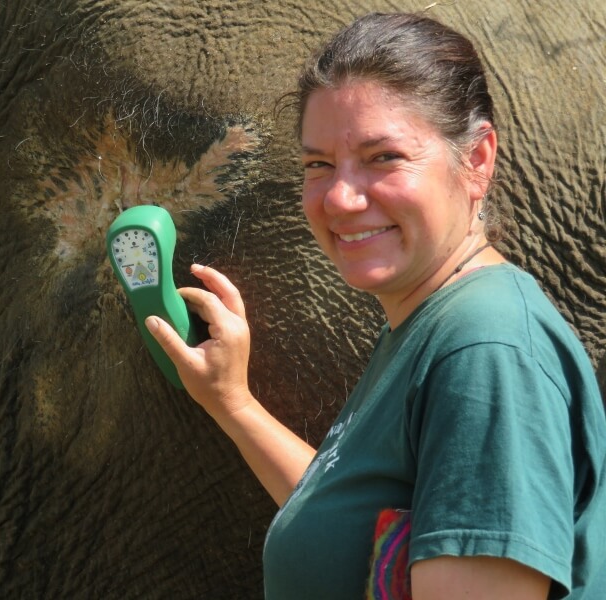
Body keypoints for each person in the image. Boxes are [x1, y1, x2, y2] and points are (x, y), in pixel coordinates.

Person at [145, 12, 606, 600]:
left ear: (478, 161)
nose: (339, 197)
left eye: (383, 156)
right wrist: (233, 403)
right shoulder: (433, 322)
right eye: (318, 164)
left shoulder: (486, 349)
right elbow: (353, 526)